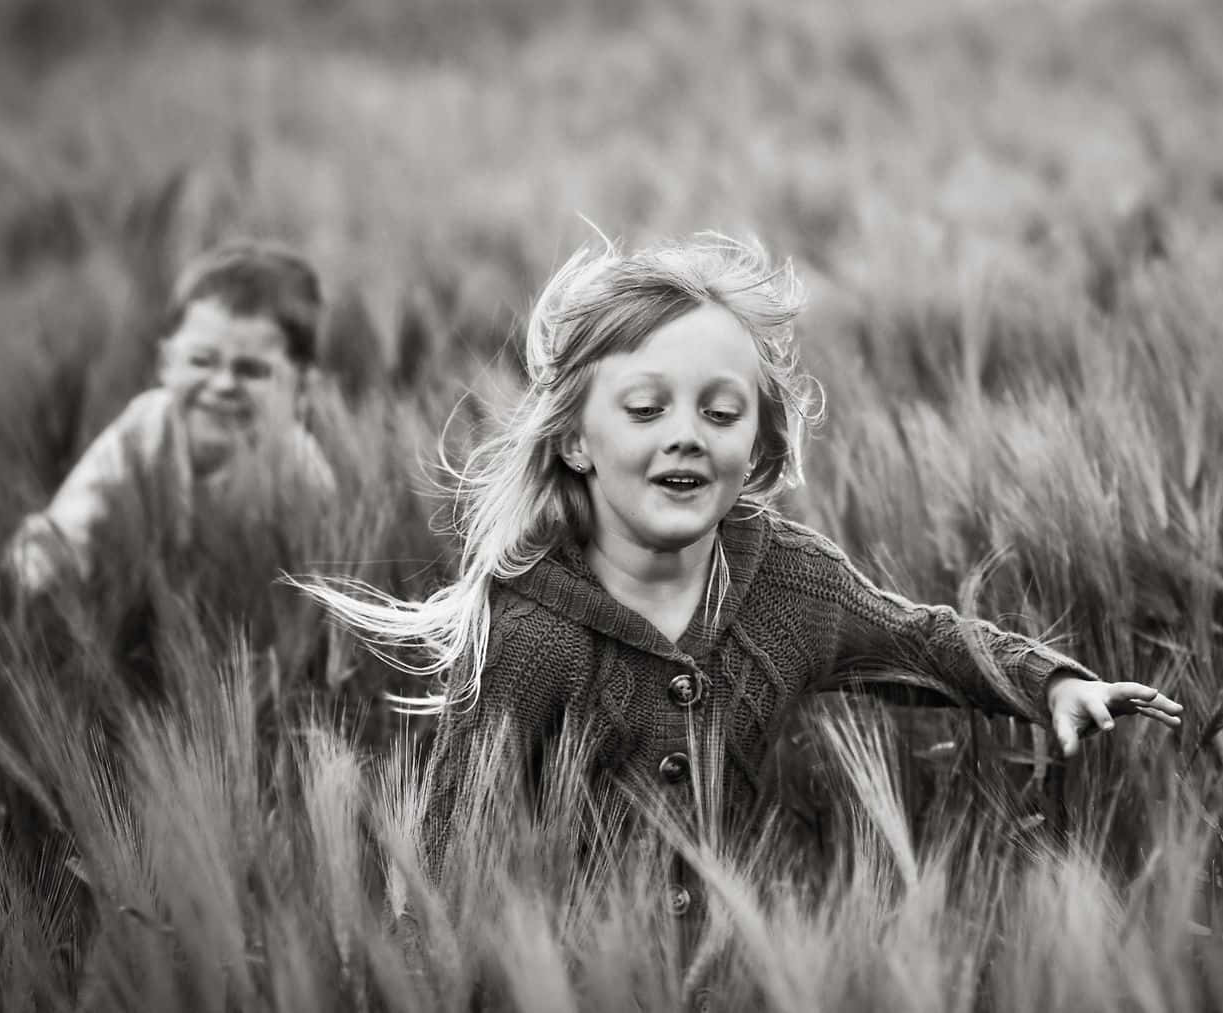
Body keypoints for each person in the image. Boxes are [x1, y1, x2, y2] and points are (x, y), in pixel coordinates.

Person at [310, 233, 1182, 948]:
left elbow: (920, 640)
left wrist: (1052, 682)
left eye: (719, 414)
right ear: (575, 442)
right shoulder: (533, 636)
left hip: (738, 965)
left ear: (759, 441)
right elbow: (439, 853)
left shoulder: (788, 585)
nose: (686, 436)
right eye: (645, 410)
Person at [0, 239, 339, 695]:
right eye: (202, 361)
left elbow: (312, 607)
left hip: (238, 670)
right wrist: (37, 571)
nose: (222, 384)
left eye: (252, 370)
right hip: (129, 650)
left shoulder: (303, 476)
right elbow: (70, 529)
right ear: (166, 363)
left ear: (301, 389)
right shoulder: (141, 436)